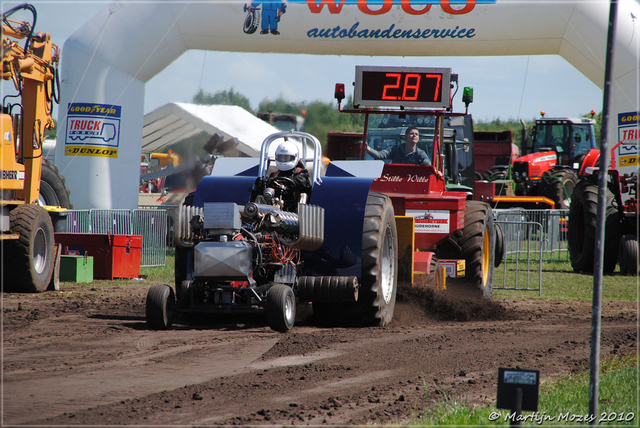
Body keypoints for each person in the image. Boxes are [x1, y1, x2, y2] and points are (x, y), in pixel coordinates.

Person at [251, 140, 312, 211]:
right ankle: (255, 217)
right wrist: (261, 186)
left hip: (292, 209)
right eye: (282, 157)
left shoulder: (301, 174)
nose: (284, 160)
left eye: (286, 158)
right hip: (274, 206)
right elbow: (266, 192)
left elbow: (302, 183)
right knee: (259, 197)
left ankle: (299, 219)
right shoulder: (274, 175)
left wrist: (285, 185)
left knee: (303, 196)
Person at [365, 127, 431, 165]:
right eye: (411, 133)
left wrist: (435, 170)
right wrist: (368, 149)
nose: (414, 135)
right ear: (405, 137)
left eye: (416, 134)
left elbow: (428, 163)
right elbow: (380, 155)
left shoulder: (420, 153)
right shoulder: (395, 149)